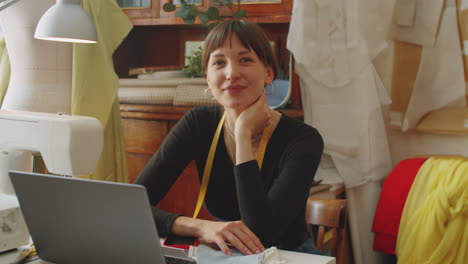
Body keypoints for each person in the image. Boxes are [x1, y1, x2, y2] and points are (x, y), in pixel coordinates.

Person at [135, 19, 324, 256]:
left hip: (288, 256)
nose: (231, 73)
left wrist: (243, 134)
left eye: (245, 60)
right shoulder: (198, 123)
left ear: (268, 73)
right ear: (207, 77)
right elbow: (133, 205)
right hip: (223, 253)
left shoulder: (303, 140)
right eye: (219, 62)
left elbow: (262, 234)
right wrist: (202, 227)